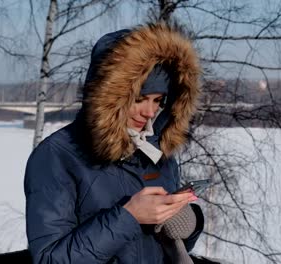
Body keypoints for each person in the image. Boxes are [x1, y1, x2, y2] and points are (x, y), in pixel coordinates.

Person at [24, 23, 204, 264]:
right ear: (109, 96)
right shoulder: (57, 156)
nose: (150, 112)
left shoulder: (157, 153)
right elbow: (49, 259)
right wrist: (129, 216)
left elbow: (165, 249)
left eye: (158, 100)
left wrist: (186, 225)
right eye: (139, 99)